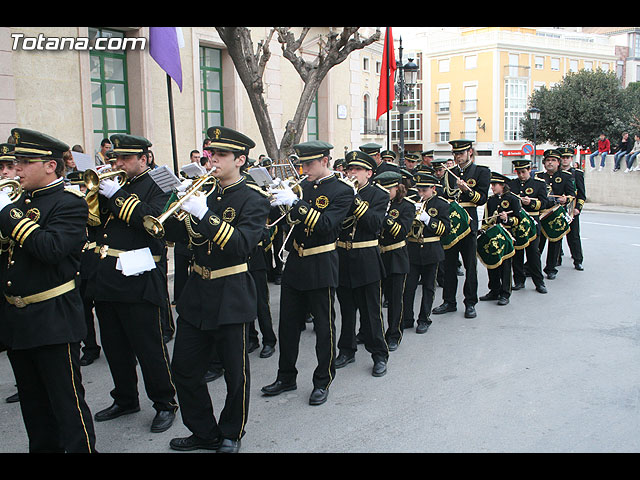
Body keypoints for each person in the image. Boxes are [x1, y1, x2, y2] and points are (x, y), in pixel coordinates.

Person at [163, 126, 270, 454]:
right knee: (183, 368)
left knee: (235, 374)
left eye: (221, 155)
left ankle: (231, 433)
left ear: (240, 159)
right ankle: (203, 431)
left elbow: (240, 245)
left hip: (231, 291)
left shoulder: (253, 199)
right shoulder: (203, 192)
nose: (212, 160)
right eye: (210, 154)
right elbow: (171, 235)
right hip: (197, 291)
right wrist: (176, 199)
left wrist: (204, 215)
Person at [0, 128, 96, 452]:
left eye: (24, 162)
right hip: (19, 320)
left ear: (50, 165)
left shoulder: (69, 204)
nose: (16, 169)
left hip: (54, 319)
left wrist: (7, 215)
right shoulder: (20, 201)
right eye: (15, 162)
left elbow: (51, 248)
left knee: (67, 406)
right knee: (34, 408)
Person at [90, 133, 178, 434]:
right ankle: (125, 398)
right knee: (114, 346)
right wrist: (96, 194)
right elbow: (94, 224)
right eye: (116, 159)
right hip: (108, 276)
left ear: (144, 158)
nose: (119, 164)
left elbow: (151, 220)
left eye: (126, 159)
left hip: (140, 277)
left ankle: (165, 402)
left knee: (149, 347)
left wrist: (116, 194)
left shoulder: (161, 186)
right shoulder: (117, 185)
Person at [261, 140, 353, 406]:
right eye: (301, 163)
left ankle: (322, 381)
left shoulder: (341, 190)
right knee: (288, 326)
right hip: (296, 263)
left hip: (321, 263)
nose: (304, 168)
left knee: (324, 328)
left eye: (310, 163)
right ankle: (286, 376)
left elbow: (326, 225)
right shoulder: (301, 187)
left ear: (325, 161)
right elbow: (286, 222)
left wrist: (296, 203)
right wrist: (278, 201)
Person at [334, 150, 389, 377]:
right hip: (343, 258)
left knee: (371, 312)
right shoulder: (340, 192)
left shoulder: (379, 195)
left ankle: (379, 354)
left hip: (366, 257)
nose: (352, 173)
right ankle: (347, 350)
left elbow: (375, 224)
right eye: (349, 169)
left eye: (356, 170)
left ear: (369, 172)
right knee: (346, 309)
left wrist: (355, 200)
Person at [433, 139, 490, 319]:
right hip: (452, 224)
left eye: (461, 153)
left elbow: (481, 199)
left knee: (470, 265)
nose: (457, 157)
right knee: (449, 264)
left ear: (470, 152)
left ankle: (470, 302)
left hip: (468, 224)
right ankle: (449, 301)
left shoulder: (481, 171)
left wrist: (467, 190)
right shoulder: (450, 173)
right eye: (455, 154)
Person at [403, 172, 451, 333]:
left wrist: (428, 219)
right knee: (408, 287)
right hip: (413, 249)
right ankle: (407, 318)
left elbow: (445, 230)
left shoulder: (442, 204)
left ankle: (424, 319)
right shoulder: (412, 202)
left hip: (431, 250)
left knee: (429, 287)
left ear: (433, 188)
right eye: (419, 190)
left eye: (424, 190)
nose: (421, 194)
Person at [375, 171, 414, 350]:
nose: (383, 192)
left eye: (387, 188)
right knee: (374, 299)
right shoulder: (377, 203)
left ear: (397, 188)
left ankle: (394, 334)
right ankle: (374, 333)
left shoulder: (407, 206)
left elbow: (401, 231)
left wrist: (384, 216)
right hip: (378, 256)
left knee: (395, 299)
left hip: (396, 256)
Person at [478, 172, 521, 306]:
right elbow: (487, 217)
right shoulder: (491, 200)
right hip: (493, 236)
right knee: (492, 264)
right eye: (492, 184)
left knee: (505, 266)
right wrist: (483, 229)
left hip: (506, 236)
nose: (492, 187)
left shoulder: (513, 199)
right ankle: (494, 290)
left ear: (503, 185)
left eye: (495, 185)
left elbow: (518, 219)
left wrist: (507, 219)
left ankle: (505, 293)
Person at [508, 159, 548, 294]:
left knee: (533, 254)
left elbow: (544, 203)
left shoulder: (539, 184)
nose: (521, 175)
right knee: (517, 254)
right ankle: (519, 280)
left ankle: (539, 282)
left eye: (523, 172)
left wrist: (531, 202)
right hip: (517, 222)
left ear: (529, 170)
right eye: (518, 172)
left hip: (532, 222)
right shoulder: (512, 184)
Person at [535, 149, 576, 280]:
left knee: (555, 243)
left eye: (553, 160)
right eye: (548, 160)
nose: (550, 163)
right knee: (537, 243)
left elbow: (572, 195)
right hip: (541, 213)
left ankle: (551, 268)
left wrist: (566, 199)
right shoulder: (538, 176)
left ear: (558, 162)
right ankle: (533, 267)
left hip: (556, 214)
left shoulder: (566, 176)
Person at [558, 147, 585, 271]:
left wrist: (578, 209)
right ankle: (556, 259)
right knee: (556, 235)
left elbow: (581, 194)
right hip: (557, 209)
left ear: (571, 159)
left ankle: (578, 260)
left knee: (573, 236)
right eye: (562, 157)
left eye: (567, 157)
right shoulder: (555, 174)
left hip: (571, 209)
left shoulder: (577, 174)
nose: (565, 160)